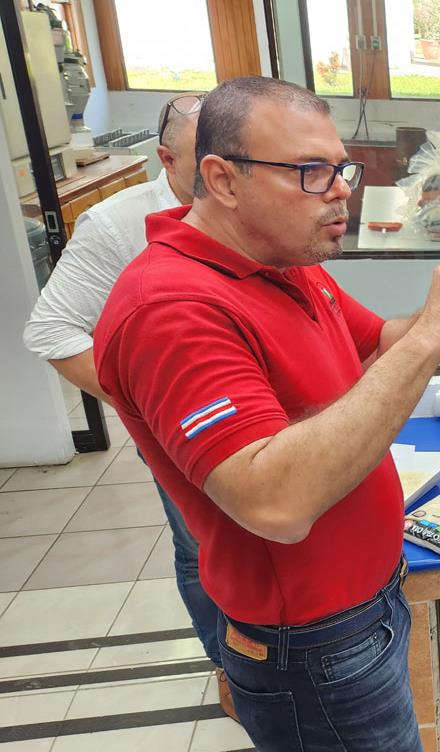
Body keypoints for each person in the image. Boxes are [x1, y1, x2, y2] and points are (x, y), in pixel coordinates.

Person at [92, 76, 440, 751]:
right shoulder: (172, 310)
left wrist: (437, 316)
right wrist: (433, 337)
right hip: (314, 644)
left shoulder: (281, 259)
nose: (341, 189)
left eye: (340, 168)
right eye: (310, 172)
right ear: (221, 179)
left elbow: (375, 347)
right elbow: (275, 502)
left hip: (370, 600)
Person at [21, 93, 239, 720]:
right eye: (207, 162)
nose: (225, 177)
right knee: (202, 546)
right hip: (182, 429)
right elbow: (54, 329)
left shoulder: (250, 209)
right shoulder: (120, 225)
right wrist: (146, 401)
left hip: (259, 416)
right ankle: (226, 664)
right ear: (165, 159)